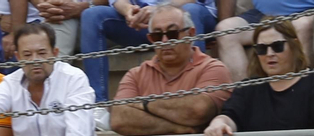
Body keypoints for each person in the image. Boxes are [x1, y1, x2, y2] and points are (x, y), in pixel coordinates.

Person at [80, 7, 232, 136]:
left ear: (191, 33)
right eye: (157, 35)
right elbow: (119, 119)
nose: (165, 41)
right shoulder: (136, 74)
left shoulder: (213, 68)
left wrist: (143, 103)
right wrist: (178, 127)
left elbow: (197, 111)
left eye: (172, 33)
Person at [80, 0, 217, 101]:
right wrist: (129, 11)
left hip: (186, 14)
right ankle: (98, 106)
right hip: (143, 19)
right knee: (91, 15)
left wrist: (159, 10)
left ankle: (199, 94)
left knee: (191, 10)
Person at [215, 0, 314, 83]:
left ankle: (302, 91)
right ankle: (246, 98)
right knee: (226, 30)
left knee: (303, 25)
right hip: (262, 13)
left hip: (306, 11)